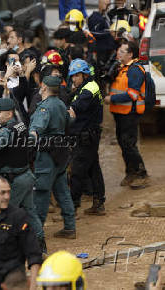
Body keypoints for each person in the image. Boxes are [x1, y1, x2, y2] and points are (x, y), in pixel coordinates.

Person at [0, 98, 44, 249]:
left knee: (5, 213)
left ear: (9, 113)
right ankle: (40, 244)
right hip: (25, 176)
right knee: (30, 213)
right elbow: (32, 139)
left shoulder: (6, 130)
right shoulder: (20, 125)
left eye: (0, 112)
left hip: (15, 180)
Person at [29, 76, 76, 239]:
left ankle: (37, 231)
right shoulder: (61, 104)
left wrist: (30, 137)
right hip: (61, 152)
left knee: (41, 192)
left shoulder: (45, 108)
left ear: (44, 87)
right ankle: (70, 227)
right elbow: (69, 121)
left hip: (47, 153)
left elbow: (36, 129)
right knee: (62, 190)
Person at [104, 41, 148, 189]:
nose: (118, 53)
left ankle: (141, 174)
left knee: (129, 145)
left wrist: (112, 99)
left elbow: (132, 94)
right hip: (119, 113)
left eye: (122, 51)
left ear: (130, 54)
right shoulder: (122, 68)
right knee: (124, 144)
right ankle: (130, 173)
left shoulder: (135, 70)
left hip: (130, 113)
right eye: (119, 50)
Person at [68, 59, 106, 215]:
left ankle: (71, 209)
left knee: (76, 171)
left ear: (84, 75)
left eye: (76, 76)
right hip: (89, 134)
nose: (74, 79)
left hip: (86, 136)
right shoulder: (86, 86)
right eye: (72, 76)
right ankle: (99, 203)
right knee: (93, 168)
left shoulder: (89, 89)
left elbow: (73, 109)